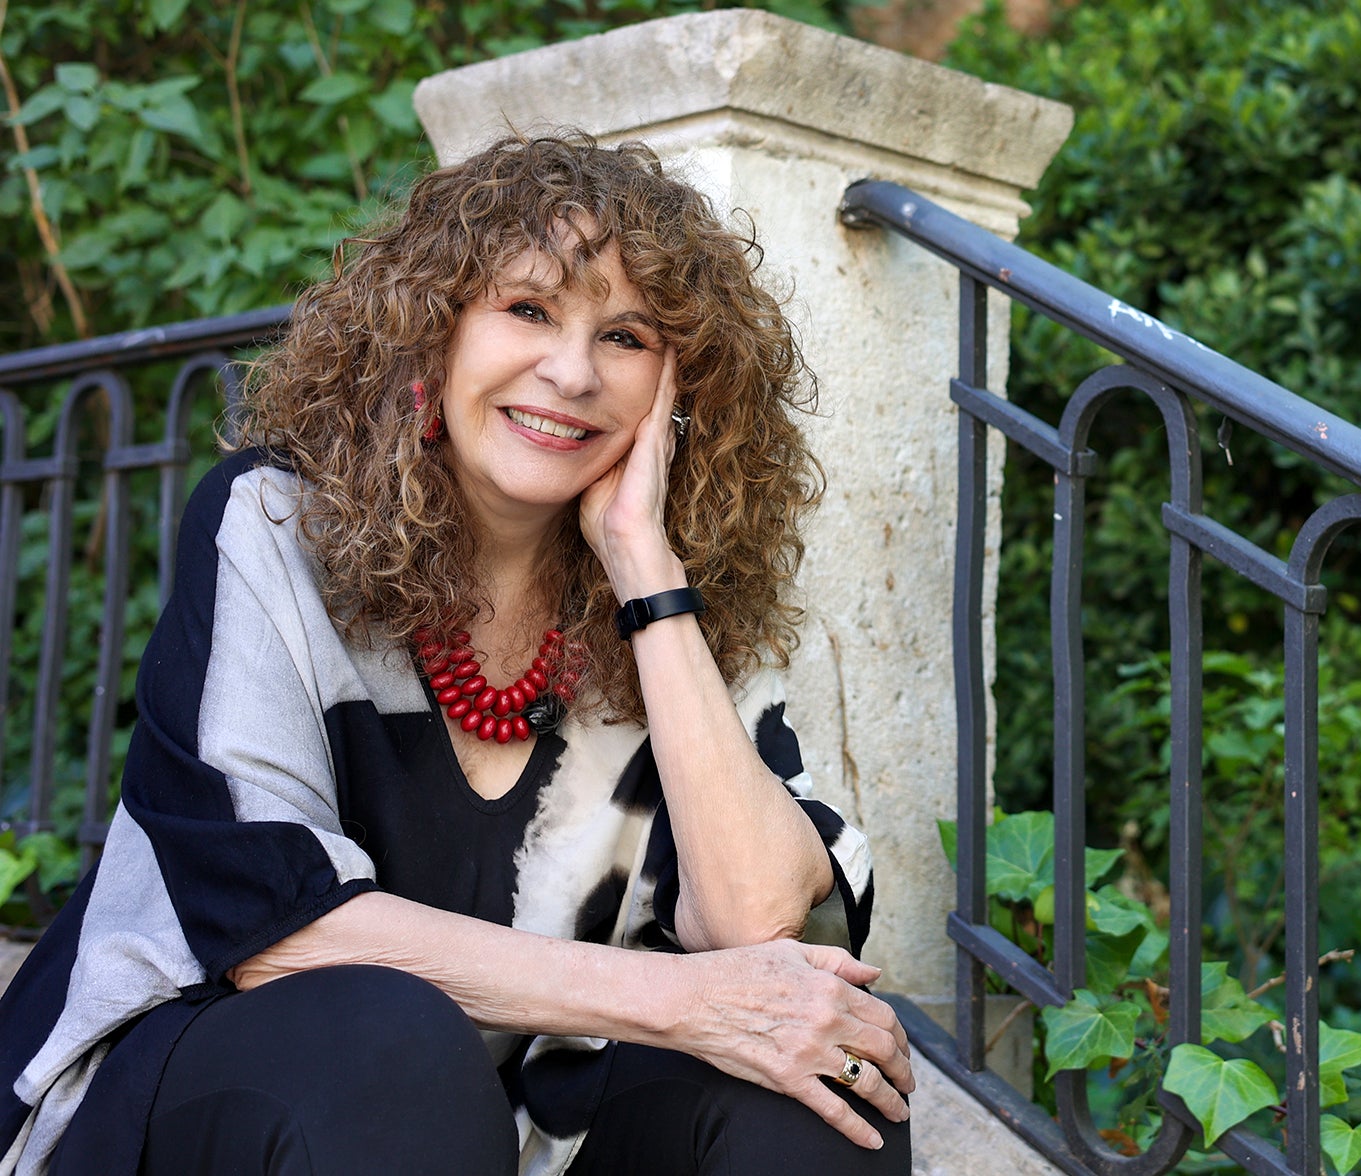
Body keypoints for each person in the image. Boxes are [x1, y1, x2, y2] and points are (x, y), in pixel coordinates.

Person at [0, 132, 913, 1175]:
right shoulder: (273, 527)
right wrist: (679, 1001)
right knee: (388, 1040)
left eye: (624, 336)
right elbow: (277, 930)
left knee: (818, 1070)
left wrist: (644, 568)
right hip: (200, 1096)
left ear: (679, 386)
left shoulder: (674, 613)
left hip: (509, 1124)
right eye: (528, 310)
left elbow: (756, 921)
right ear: (433, 333)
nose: (570, 373)